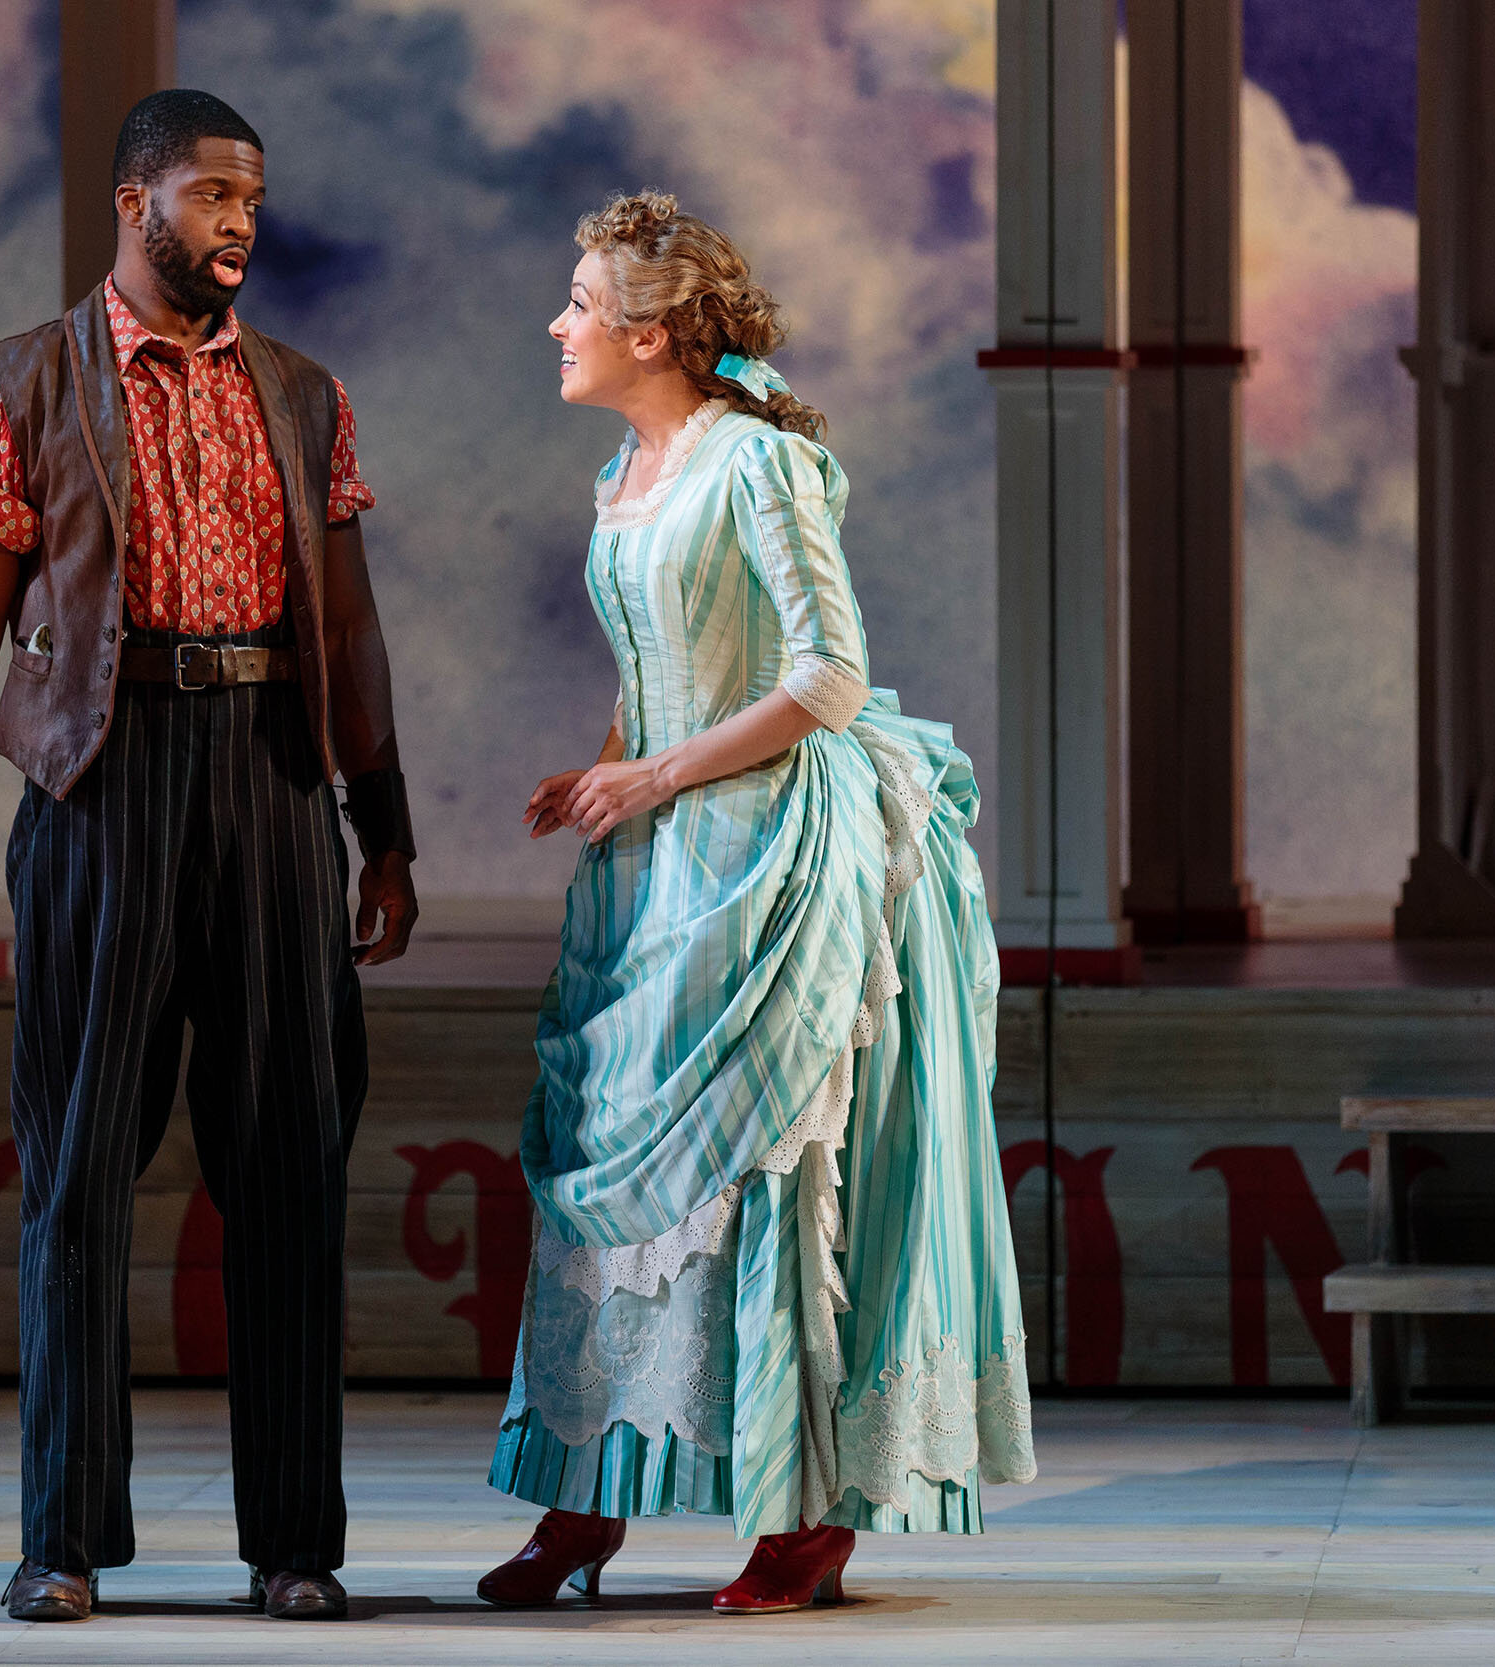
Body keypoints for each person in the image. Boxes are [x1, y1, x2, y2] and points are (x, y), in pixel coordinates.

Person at [478, 191, 1034, 1616]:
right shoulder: (630, 470)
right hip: (656, 853)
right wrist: (606, 764)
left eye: (581, 304)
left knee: (759, 1174)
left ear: (649, 331)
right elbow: (670, 657)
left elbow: (827, 677)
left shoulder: (754, 465)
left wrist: (659, 773)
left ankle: (800, 1515)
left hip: (765, 849)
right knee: (616, 1165)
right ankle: (587, 1493)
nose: (560, 324)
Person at [0, 89, 417, 1625]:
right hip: (99, 775)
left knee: (287, 1165)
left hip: (269, 783)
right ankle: (61, 1538)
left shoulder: (306, 394)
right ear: (136, 204)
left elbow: (345, 629)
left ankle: (295, 1544)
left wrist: (380, 836)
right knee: (73, 1170)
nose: (240, 220)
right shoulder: (17, 387)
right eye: (210, 194)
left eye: (253, 194)